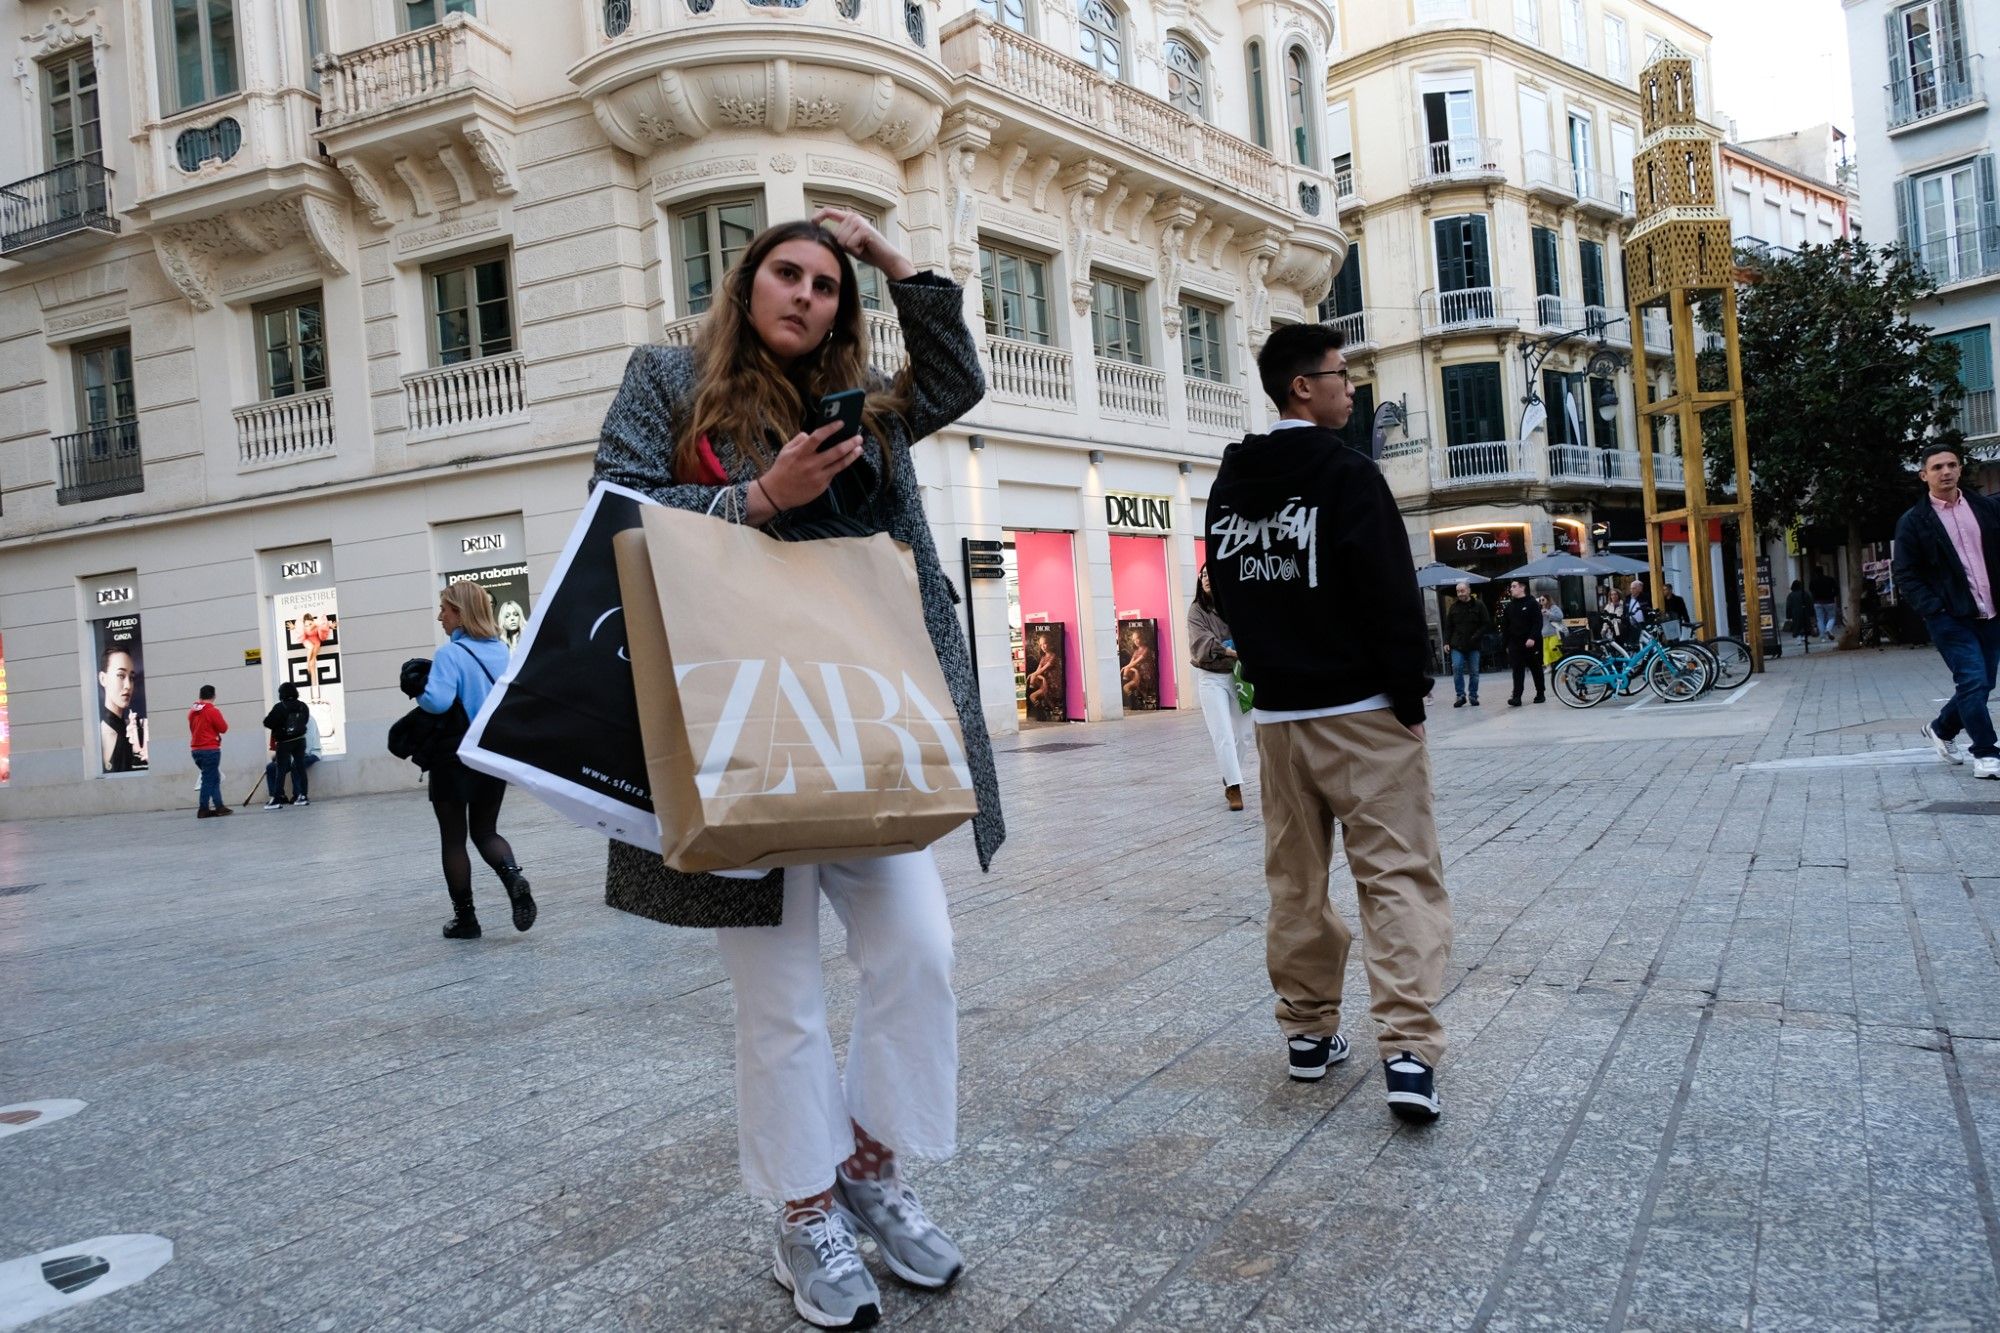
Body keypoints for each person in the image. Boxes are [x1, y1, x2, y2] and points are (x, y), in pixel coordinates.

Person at [592, 208, 1002, 1329]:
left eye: (827, 284)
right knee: (776, 1000)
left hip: (862, 717)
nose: (807, 295)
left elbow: (955, 380)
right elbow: (616, 509)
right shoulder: (667, 381)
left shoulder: (865, 409)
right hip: (737, 726)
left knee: (918, 951)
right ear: (747, 283)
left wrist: (892, 258)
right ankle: (804, 1209)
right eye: (789, 273)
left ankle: (869, 1167)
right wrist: (757, 499)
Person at [1204, 321, 1452, 1123]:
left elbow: (1228, 587)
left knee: (1296, 883)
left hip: (1278, 721)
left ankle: (1308, 1034)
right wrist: (1409, 700)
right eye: (1341, 375)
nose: (1353, 387)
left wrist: (1269, 669)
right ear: (1301, 387)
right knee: (1398, 877)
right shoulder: (1347, 474)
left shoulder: (1231, 480)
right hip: (1361, 712)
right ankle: (1408, 1053)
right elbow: (1389, 592)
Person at [414, 580, 536, 938]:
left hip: (453, 756)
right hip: (489, 754)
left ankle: (466, 920)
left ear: (460, 613)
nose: (440, 617)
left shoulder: (449, 655)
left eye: (444, 610)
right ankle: (513, 876)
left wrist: (418, 690)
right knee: (486, 831)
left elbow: (436, 702)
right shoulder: (501, 650)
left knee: (454, 840)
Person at [1894, 445, 2000, 780]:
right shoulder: (1913, 522)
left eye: (1952, 465)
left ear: (1960, 469)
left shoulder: (1985, 508)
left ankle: (1941, 728)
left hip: (1991, 612)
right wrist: (1933, 608)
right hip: (1950, 617)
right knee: (1972, 679)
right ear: (1924, 475)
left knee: (1982, 683)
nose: (1946, 472)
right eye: (1937, 467)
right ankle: (1985, 753)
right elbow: (1905, 573)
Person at [1189, 565, 1253, 811]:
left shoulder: (1233, 604)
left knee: (1244, 734)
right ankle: (1235, 786)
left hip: (1240, 676)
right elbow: (1201, 643)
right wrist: (1228, 651)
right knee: (1223, 733)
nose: (1207, 580)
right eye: (1204, 576)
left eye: (1211, 575)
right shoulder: (1196, 610)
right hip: (1212, 677)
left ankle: (1229, 775)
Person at [97, 643, 146, 772]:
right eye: (121, 675)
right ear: (103, 679)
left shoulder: (126, 728)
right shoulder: (106, 732)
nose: (128, 685)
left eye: (131, 677)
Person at [262, 684, 311, 809]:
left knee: (281, 770)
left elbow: (267, 722)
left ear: (281, 694)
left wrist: (280, 726)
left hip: (284, 743)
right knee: (300, 768)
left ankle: (277, 799)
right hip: (300, 740)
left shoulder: (279, 707)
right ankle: (303, 796)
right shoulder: (302, 706)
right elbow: (305, 721)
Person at [1443, 582, 1491, 708]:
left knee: (1474, 671)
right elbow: (1448, 627)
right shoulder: (1453, 607)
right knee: (1457, 668)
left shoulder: (1479, 605)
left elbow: (1486, 623)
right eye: (1458, 591)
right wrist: (1446, 642)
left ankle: (1473, 695)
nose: (1460, 594)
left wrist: (1476, 636)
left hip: (1473, 644)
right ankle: (1460, 695)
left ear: (1469, 591)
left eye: (1462, 591)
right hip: (1457, 644)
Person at [188, 685, 230, 819]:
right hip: (210, 750)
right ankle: (203, 808)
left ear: (200, 695)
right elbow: (223, 728)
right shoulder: (212, 711)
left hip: (196, 750)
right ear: (213, 696)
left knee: (213, 777)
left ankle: (219, 806)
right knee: (208, 779)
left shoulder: (193, 711)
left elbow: (192, 728)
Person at [1501, 580, 1546, 705]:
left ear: (1522, 588)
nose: (1511, 589)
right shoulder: (1510, 606)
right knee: (1517, 671)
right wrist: (1505, 644)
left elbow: (1538, 622)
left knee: (1536, 668)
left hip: (1531, 643)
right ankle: (1516, 697)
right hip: (1515, 643)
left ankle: (1540, 693)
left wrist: (1532, 637)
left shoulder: (1532, 603)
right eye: (1511, 587)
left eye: (1514, 586)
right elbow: (1505, 626)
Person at [263, 711, 322, 805]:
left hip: (311, 753)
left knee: (296, 766)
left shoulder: (308, 720)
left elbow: (308, 744)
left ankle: (298, 795)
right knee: (271, 767)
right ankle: (279, 796)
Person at [299, 613, 333, 703]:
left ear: (312, 621)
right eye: (306, 625)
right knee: (310, 652)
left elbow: (324, 625)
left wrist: (331, 625)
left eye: (310, 624)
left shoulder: (316, 625)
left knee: (313, 663)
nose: (308, 626)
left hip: (316, 643)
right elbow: (302, 631)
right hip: (309, 643)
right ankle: (308, 663)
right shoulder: (304, 628)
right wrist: (293, 627)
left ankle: (315, 695)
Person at [1785, 578, 1814, 649]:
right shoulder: (1805, 593)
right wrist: (1811, 613)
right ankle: (1804, 637)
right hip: (1805, 611)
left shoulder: (1791, 595)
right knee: (1805, 625)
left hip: (1795, 613)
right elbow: (1810, 603)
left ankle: (1798, 640)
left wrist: (1788, 615)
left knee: (1797, 625)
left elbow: (1788, 606)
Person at [1811, 568, 1840, 641]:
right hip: (1829, 601)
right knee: (1832, 617)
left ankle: (1822, 637)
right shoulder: (1830, 579)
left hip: (1817, 602)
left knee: (1820, 619)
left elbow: (1811, 590)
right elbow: (1836, 589)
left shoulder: (1813, 581)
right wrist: (1832, 595)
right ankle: (1828, 629)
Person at [1539, 594, 1566, 668]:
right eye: (1540, 600)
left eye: (1543, 600)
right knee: (1546, 651)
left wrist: (1548, 613)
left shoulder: (1553, 607)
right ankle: (1548, 666)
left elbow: (1560, 617)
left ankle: (1561, 663)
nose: (1541, 602)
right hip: (1544, 633)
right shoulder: (1540, 609)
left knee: (1553, 648)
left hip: (1553, 632)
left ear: (1548, 599)